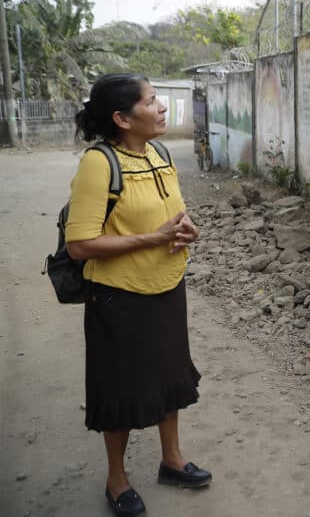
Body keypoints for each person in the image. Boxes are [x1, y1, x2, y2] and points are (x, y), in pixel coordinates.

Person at [65, 74, 211, 517]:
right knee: (121, 390)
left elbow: (174, 216)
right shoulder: (99, 164)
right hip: (119, 298)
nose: (162, 107)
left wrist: (187, 231)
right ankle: (117, 479)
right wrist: (152, 239)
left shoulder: (159, 153)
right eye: (151, 101)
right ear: (122, 119)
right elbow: (80, 245)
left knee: (170, 377)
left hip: (167, 287)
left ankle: (172, 460)